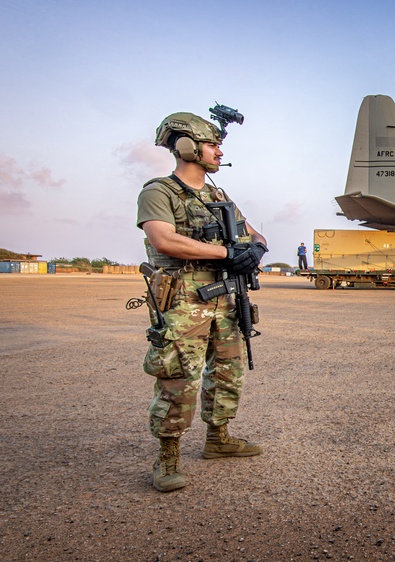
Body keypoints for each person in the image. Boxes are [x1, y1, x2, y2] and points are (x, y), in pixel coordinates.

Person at [136, 111, 268, 492]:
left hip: (225, 296)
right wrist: (226, 254)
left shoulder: (219, 196)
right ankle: (168, 455)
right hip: (183, 300)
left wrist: (255, 250)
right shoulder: (159, 191)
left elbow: (253, 232)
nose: (218, 150)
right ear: (186, 147)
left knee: (228, 371)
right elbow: (164, 239)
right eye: (212, 143)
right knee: (177, 377)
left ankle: (218, 439)